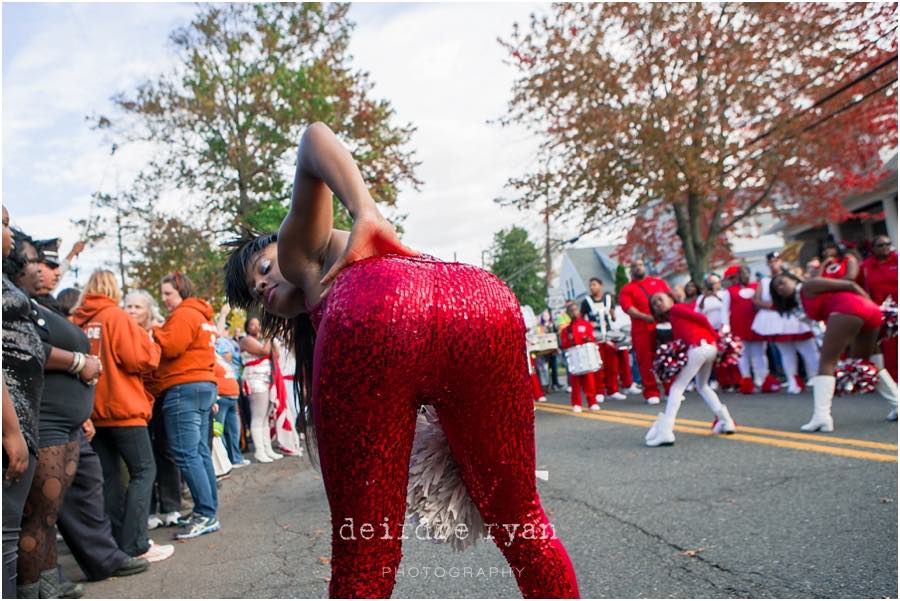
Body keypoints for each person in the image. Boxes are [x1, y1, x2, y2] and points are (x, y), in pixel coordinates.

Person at [223, 122, 579, 598]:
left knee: (365, 553)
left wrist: (364, 209)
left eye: (262, 268)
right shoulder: (369, 273)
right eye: (255, 293)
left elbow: (312, 138)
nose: (264, 286)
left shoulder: (303, 255)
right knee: (522, 519)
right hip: (484, 299)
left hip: (375, 313)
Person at [7, 229, 100, 598]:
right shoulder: (16, 303)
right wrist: (79, 361)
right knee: (36, 517)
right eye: (36, 262)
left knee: (47, 517)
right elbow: (32, 350)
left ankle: (48, 584)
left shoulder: (35, 303)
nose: (47, 270)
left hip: (63, 423)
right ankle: (31, 590)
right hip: (42, 422)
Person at [69, 271, 174, 563]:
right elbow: (139, 359)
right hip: (123, 409)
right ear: (112, 288)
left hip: (94, 412)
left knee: (110, 479)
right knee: (143, 471)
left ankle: (116, 543)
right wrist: (151, 344)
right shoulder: (114, 317)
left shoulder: (79, 320)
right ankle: (136, 543)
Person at [770, 273, 898, 429]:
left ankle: (821, 416)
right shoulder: (798, 302)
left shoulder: (809, 285)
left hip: (853, 309)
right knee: (867, 364)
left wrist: (875, 307)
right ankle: (897, 404)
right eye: (776, 288)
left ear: (793, 279)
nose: (780, 288)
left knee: (826, 362)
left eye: (782, 282)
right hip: (867, 312)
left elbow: (850, 285)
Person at [153, 273, 221, 540]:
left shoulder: (184, 314)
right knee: (200, 452)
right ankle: (208, 510)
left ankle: (205, 514)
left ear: (180, 290)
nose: (165, 299)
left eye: (168, 293)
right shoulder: (202, 315)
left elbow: (170, 346)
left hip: (184, 387)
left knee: (187, 453)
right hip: (204, 385)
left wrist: (154, 329)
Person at [2, 207, 45, 599]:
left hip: (21, 410)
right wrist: (11, 429)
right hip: (8, 414)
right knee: (3, 536)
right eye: (1, 222)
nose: (10, 232)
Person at [644, 292, 737, 447]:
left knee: (676, 388)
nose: (658, 304)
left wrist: (716, 337)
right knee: (702, 386)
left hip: (699, 348)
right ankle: (726, 421)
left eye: (660, 299)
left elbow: (701, 318)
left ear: (670, 298)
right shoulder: (674, 316)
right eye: (654, 303)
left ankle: (666, 431)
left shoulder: (676, 309)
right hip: (708, 348)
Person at [124, 290, 183, 531]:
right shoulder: (122, 331)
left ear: (148, 310)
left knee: (166, 451)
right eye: (128, 306)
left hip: (161, 396)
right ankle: (148, 511)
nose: (132, 311)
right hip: (135, 400)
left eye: (137, 307)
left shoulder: (159, 331)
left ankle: (171, 508)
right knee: (142, 458)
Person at [619, 258, 670, 405]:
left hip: (662, 326)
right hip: (642, 330)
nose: (638, 268)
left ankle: (670, 389)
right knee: (645, 362)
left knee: (666, 357)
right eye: (634, 266)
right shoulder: (627, 289)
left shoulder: (658, 282)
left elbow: (669, 298)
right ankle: (651, 392)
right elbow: (628, 308)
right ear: (631, 270)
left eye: (640, 265)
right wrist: (645, 317)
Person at [239, 317, 283, 463]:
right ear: (247, 327)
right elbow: (265, 351)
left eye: (259, 324)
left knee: (265, 416)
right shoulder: (246, 340)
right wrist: (270, 335)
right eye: (252, 324)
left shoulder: (263, 339)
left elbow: (275, 355)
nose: (256, 327)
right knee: (258, 416)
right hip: (255, 380)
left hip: (266, 380)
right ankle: (259, 450)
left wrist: (270, 337)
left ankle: (267, 448)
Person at [580, 279, 631, 400]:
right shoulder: (586, 302)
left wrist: (612, 315)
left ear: (600, 286)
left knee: (612, 365)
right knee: (598, 366)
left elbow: (613, 318)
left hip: (608, 336)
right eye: (590, 285)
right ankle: (600, 391)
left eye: (594, 285)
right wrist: (588, 326)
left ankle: (613, 390)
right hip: (595, 337)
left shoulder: (608, 299)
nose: (592, 287)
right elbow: (582, 319)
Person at [861, 234, 898, 385]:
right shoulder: (865, 266)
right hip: (882, 314)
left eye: (887, 244)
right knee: (889, 350)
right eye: (880, 245)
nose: (885, 248)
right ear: (873, 248)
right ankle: (894, 383)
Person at [749, 252, 786, 393]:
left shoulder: (789, 276)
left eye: (776, 260)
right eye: (771, 261)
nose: (773, 263)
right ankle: (780, 372)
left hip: (787, 317)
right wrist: (771, 306)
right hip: (770, 318)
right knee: (773, 347)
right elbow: (756, 300)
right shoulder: (764, 281)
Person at [559, 303, 602, 412]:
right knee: (575, 383)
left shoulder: (586, 324)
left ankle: (592, 402)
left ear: (579, 311)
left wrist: (588, 339)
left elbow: (592, 338)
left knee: (590, 381)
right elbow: (563, 344)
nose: (574, 312)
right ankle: (576, 403)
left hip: (586, 357)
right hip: (575, 359)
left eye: (575, 310)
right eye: (571, 311)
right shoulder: (566, 329)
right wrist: (569, 340)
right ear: (568, 313)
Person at [213, 352, 248, 467]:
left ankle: (236, 459)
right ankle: (225, 461)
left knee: (234, 431)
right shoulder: (208, 356)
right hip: (221, 397)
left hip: (232, 397)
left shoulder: (217, 355)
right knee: (219, 431)